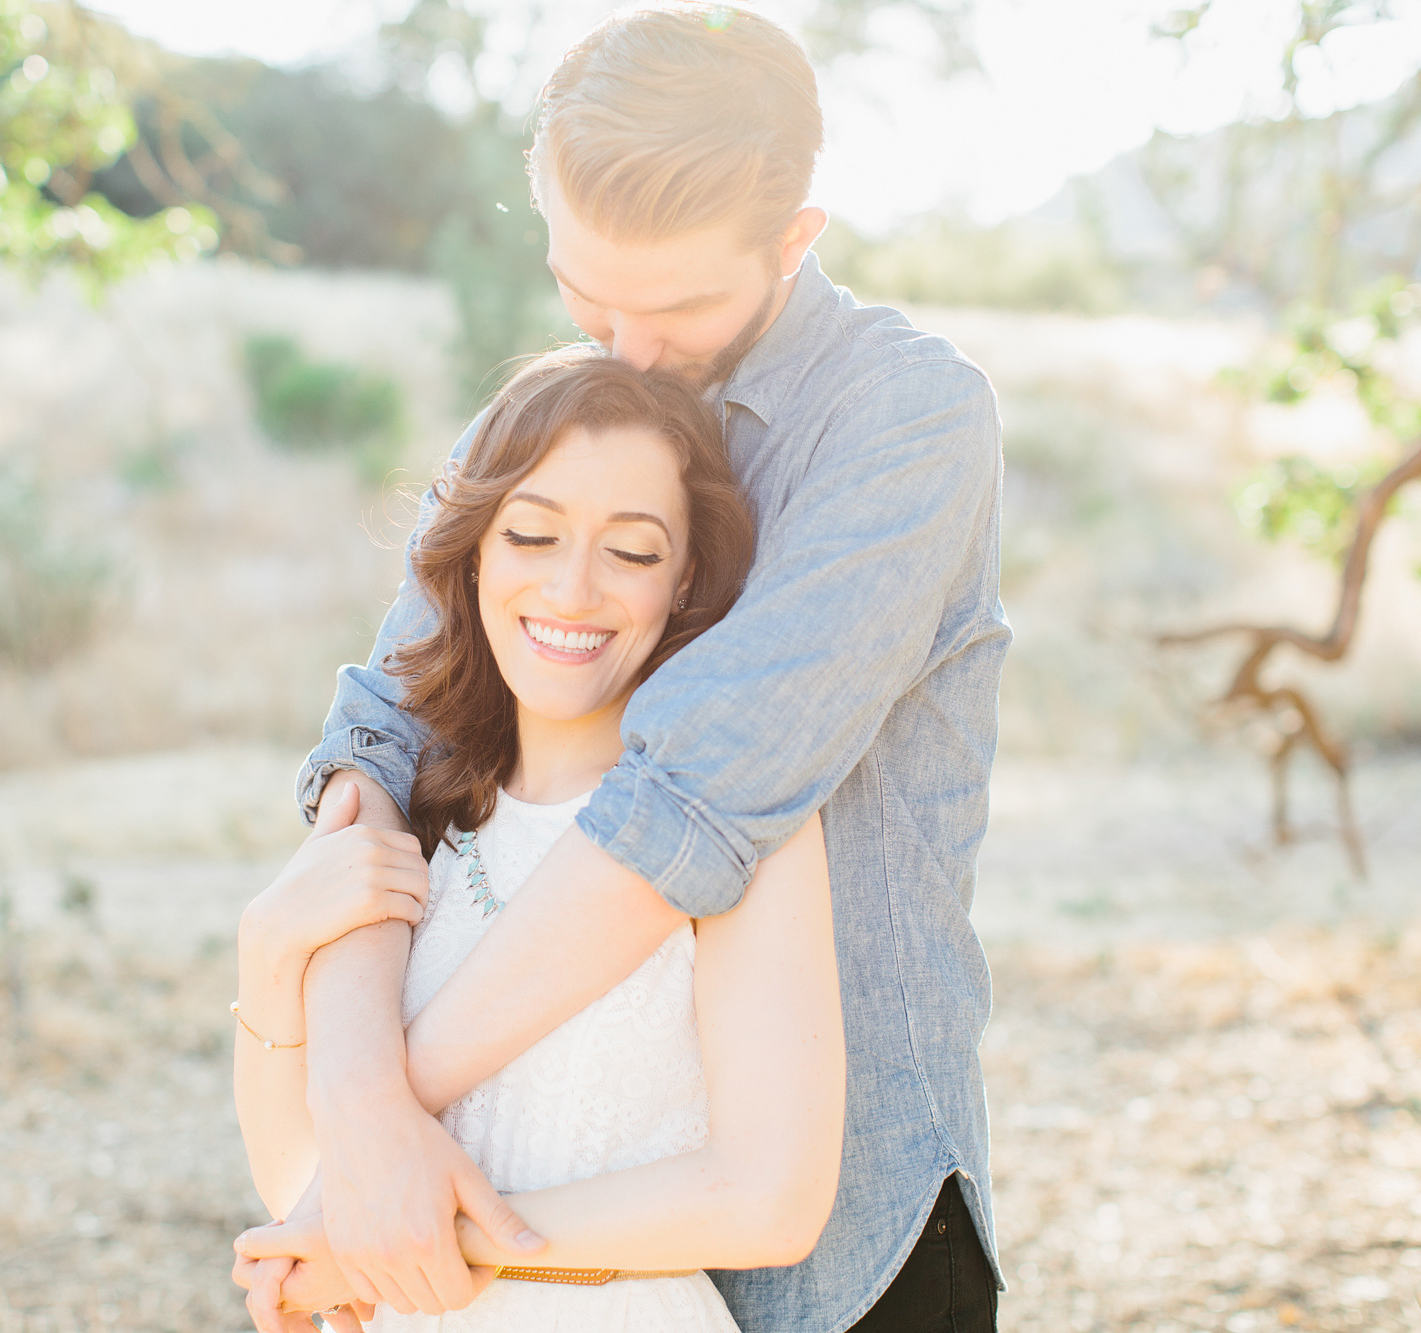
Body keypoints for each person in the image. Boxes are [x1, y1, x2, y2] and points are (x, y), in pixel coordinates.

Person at [242, 5, 1008, 1331]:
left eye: (681, 304)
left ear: (796, 238)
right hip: (517, 1204)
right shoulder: (552, 410)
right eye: (586, 296)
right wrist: (361, 1116)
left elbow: (695, 799)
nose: (630, 350)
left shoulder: (907, 418)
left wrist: (377, 1142)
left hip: (842, 1236)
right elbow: (384, 735)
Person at [230, 347, 846, 1331]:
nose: (571, 590)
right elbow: (305, 1177)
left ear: (684, 582)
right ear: (472, 551)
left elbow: (768, 1200)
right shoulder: (409, 811)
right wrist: (266, 960)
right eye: (530, 534)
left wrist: (436, 1231)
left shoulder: (741, 828)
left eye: (632, 552)